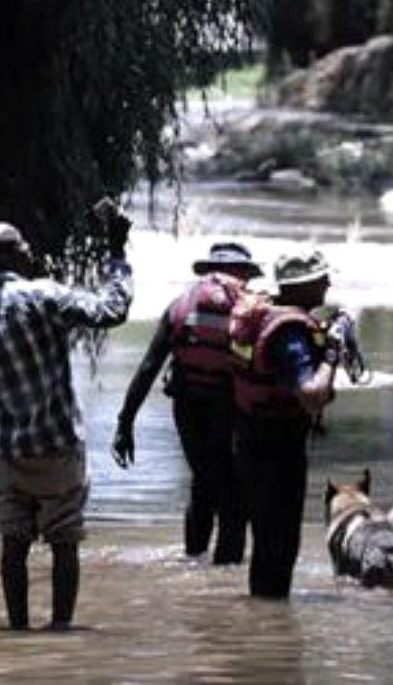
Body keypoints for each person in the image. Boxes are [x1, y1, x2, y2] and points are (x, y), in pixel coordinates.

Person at [0, 213, 132, 631]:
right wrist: (116, 253)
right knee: (64, 541)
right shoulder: (42, 295)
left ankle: (18, 632)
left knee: (14, 542)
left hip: (7, 453)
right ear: (7, 255)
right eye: (23, 244)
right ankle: (61, 632)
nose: (31, 249)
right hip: (59, 445)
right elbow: (112, 310)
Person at [111, 242, 261, 564]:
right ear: (244, 273)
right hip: (230, 412)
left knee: (203, 484)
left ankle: (194, 563)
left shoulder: (179, 307)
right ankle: (223, 581)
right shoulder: (251, 309)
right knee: (234, 501)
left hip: (189, 411)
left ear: (208, 272)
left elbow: (148, 368)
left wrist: (125, 424)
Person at [230, 249, 344, 599]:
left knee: (266, 538)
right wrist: (331, 352)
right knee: (280, 541)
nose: (328, 283)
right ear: (303, 285)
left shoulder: (265, 316)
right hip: (277, 448)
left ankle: (261, 618)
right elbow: (312, 394)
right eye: (321, 278)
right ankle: (272, 625)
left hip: (250, 437)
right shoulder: (292, 332)